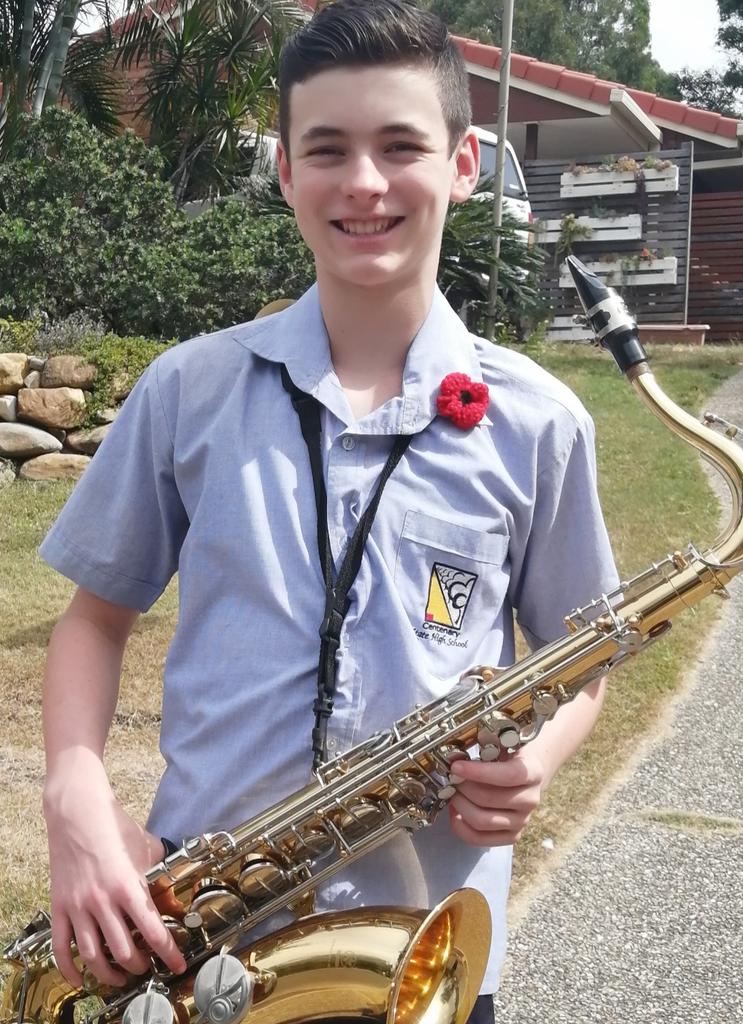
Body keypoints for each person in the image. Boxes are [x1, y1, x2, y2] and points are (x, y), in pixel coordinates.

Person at [38, 2, 618, 1020]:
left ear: (465, 163)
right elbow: (94, 619)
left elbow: (584, 657)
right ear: (285, 172)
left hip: (427, 950)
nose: (363, 182)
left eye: (401, 146)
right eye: (328, 149)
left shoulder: (540, 422)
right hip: (201, 938)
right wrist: (74, 799)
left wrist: (539, 756)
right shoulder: (188, 392)